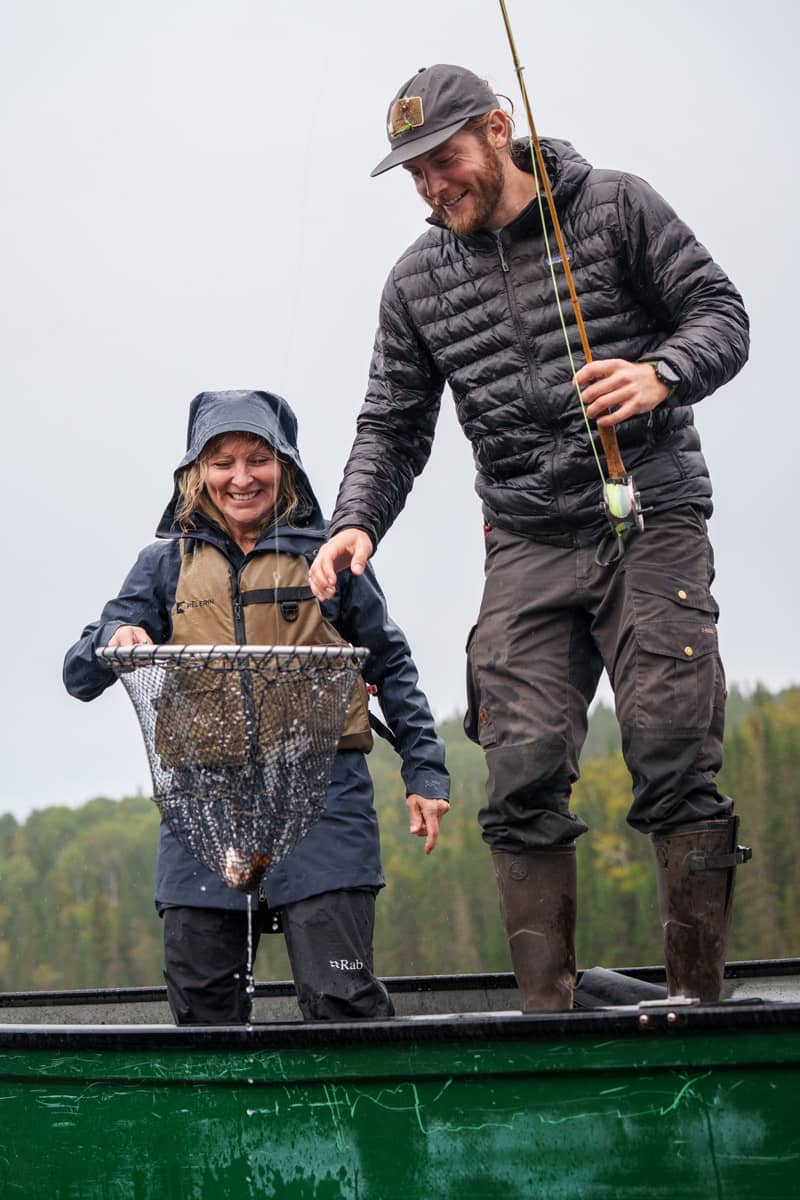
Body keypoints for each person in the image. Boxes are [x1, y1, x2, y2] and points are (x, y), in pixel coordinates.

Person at [309, 64, 751, 1010]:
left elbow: (724, 315)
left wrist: (661, 373)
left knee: (672, 748)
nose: (433, 187)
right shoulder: (416, 282)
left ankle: (697, 1011)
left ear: (499, 128)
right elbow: (391, 423)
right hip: (524, 538)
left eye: (445, 160)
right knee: (516, 770)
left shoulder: (618, 207)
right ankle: (546, 1020)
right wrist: (354, 521)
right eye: (414, 173)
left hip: (652, 516)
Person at [64, 388, 450, 1024]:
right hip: (202, 810)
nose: (241, 478)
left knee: (340, 997)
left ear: (286, 467)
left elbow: (390, 663)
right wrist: (115, 639)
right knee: (202, 1005)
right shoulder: (162, 566)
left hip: (323, 801)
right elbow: (79, 673)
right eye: (222, 462)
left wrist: (425, 772)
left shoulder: (329, 555)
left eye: (258, 460)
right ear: (197, 474)